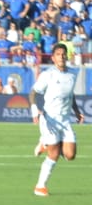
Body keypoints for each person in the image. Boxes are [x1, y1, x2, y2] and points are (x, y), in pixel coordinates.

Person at [30, 42, 83, 196]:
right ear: (53, 58)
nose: (61, 56)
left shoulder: (72, 74)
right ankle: (40, 187)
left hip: (65, 120)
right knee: (53, 154)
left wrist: (77, 111)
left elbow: (70, 95)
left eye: (63, 53)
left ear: (67, 56)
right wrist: (34, 110)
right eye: (58, 54)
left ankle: (45, 142)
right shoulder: (48, 75)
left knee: (70, 155)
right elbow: (33, 93)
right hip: (50, 119)